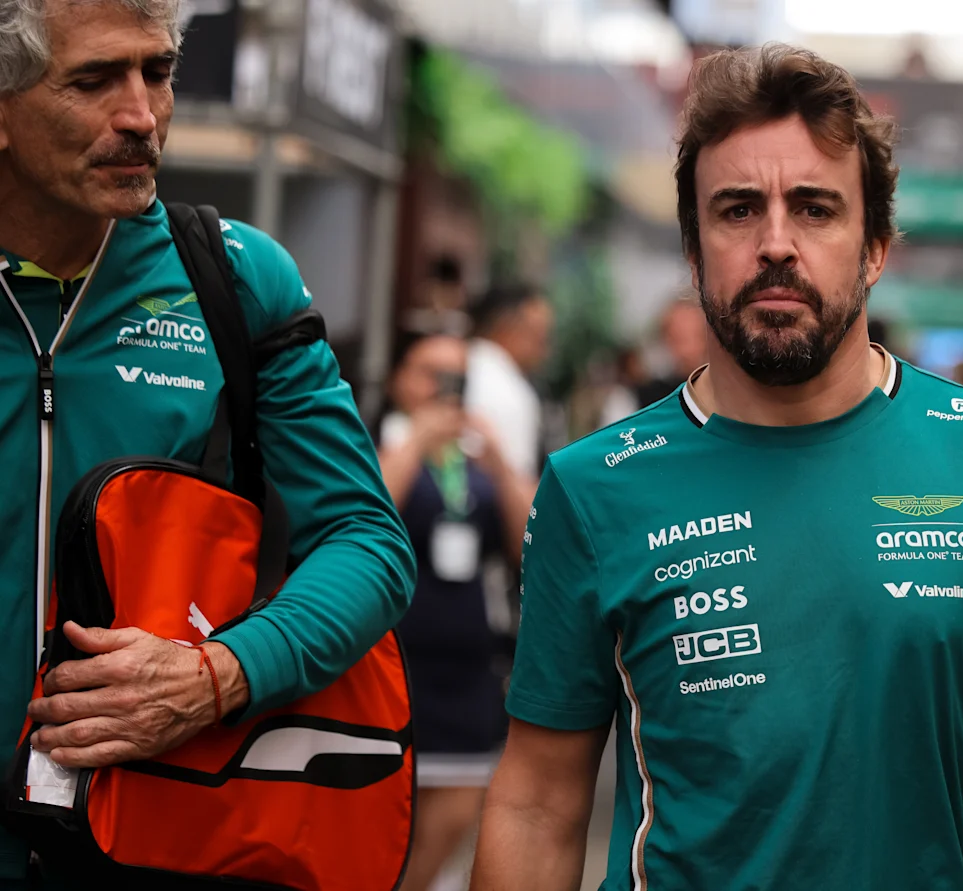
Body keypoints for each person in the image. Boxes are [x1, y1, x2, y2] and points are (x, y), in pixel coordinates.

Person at [472, 43, 963, 891]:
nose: (775, 244)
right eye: (735, 210)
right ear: (694, 254)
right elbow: (538, 800)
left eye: (814, 208)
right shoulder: (594, 486)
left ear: (874, 246)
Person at [0, 1, 415, 885]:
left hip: (150, 841)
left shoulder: (233, 277)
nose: (141, 116)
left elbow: (368, 544)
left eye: (157, 72)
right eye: (93, 80)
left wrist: (217, 674)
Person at [375, 334, 533, 891]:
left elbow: (528, 545)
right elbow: (366, 518)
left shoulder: (474, 461)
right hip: (395, 664)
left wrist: (499, 460)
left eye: (457, 376)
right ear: (398, 377)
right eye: (430, 373)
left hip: (467, 666)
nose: (445, 389)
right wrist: (416, 439)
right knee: (385, 820)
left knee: (458, 813)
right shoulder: (380, 444)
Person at [465, 284, 554, 482]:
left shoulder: (457, 363)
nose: (545, 351)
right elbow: (519, 483)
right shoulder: (510, 390)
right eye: (539, 336)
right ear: (506, 327)